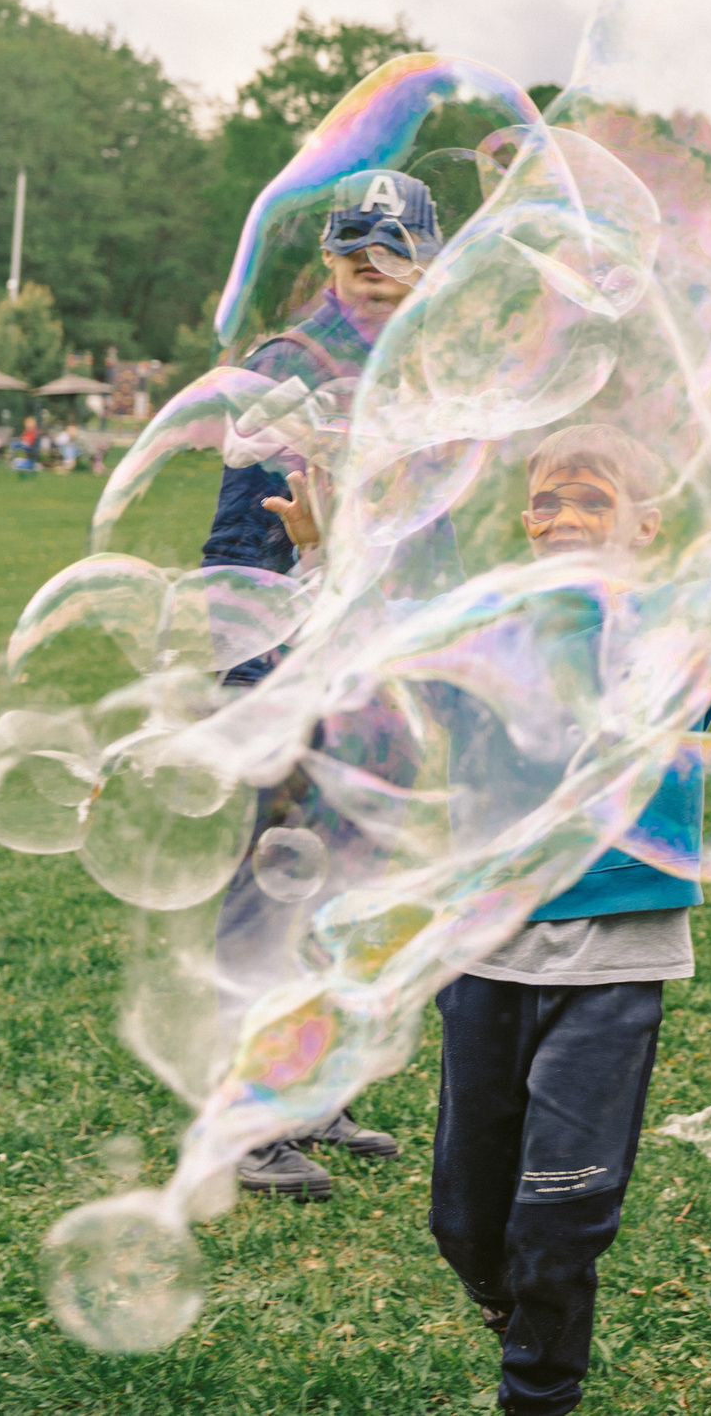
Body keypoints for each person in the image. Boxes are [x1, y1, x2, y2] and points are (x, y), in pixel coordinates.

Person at [423, 339, 711, 1416]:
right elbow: (383, 621)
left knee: (561, 1212)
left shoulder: (677, 636)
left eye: (592, 495)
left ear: (649, 526)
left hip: (615, 952)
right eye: (544, 497)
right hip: (485, 943)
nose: (561, 511)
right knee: (465, 1222)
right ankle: (524, 1298)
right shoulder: (490, 629)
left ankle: (539, 1387)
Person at [216, 167, 443, 1200]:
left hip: (381, 660)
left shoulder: (432, 369)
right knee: (279, 883)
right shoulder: (289, 366)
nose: (373, 262)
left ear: (431, 257)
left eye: (393, 245)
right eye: (355, 245)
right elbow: (245, 543)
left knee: (342, 884)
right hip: (294, 658)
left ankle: (309, 1096)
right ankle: (249, 1123)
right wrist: (261, 674)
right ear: (328, 260)